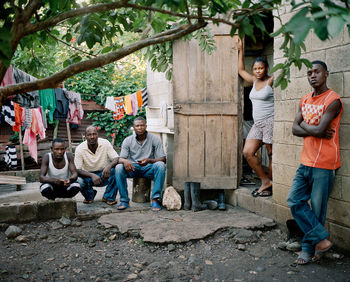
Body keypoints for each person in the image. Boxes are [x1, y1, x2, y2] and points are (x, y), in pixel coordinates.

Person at [287, 61, 343, 265]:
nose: (312, 75)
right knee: (294, 200)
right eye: (309, 72)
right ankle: (320, 240)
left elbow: (311, 129)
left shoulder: (333, 100)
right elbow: (294, 129)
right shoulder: (304, 99)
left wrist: (306, 126)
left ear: (326, 74)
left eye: (317, 72)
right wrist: (315, 128)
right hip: (306, 161)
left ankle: (307, 249)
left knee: (318, 209)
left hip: (325, 163)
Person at [237, 37, 274, 197]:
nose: (258, 71)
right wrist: (241, 49)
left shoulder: (271, 81)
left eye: (261, 68)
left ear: (266, 69)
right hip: (257, 124)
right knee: (247, 153)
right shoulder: (253, 81)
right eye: (256, 68)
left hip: (270, 121)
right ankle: (265, 181)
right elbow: (240, 70)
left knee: (271, 154)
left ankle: (272, 186)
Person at [115, 117, 166, 211]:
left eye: (142, 125)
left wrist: (149, 160)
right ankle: (124, 200)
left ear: (146, 126)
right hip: (132, 168)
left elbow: (163, 159)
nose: (140, 127)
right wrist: (125, 161)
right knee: (118, 167)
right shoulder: (128, 140)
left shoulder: (155, 139)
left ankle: (155, 199)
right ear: (133, 127)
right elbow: (120, 158)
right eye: (137, 125)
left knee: (160, 165)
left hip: (148, 168)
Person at [74, 125, 120, 205]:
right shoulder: (80, 149)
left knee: (118, 170)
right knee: (78, 180)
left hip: (104, 174)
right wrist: (92, 175)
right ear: (85, 137)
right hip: (88, 177)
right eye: (89, 135)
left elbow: (116, 158)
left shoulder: (105, 143)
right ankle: (90, 195)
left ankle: (108, 197)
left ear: (97, 135)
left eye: (94, 134)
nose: (92, 137)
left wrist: (109, 167)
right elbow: (77, 169)